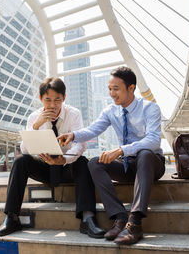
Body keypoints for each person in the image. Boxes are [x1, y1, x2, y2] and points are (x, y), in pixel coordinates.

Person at [58, 66, 165, 245]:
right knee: (94, 163)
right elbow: (93, 130)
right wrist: (73, 135)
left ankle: (135, 223)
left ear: (131, 88)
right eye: (109, 89)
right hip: (127, 165)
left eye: (116, 89)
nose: (111, 93)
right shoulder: (110, 111)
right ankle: (120, 217)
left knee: (145, 153)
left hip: (151, 165)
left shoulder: (150, 108)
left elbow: (154, 140)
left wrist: (122, 150)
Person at [0, 77, 105, 238]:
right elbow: (24, 149)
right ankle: (11, 217)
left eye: (57, 100)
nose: (52, 105)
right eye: (48, 100)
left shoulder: (73, 114)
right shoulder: (34, 117)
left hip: (67, 167)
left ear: (64, 98)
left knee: (82, 161)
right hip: (45, 168)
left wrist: (64, 159)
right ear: (40, 99)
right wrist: (36, 126)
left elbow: (80, 145)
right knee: (20, 161)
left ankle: (88, 218)